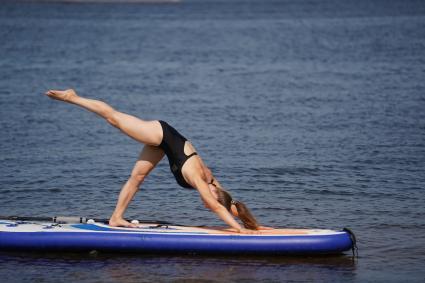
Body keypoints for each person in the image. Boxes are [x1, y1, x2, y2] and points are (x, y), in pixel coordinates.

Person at [45, 89, 271, 234]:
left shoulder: (216, 187)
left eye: (211, 199)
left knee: (138, 177)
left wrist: (250, 224)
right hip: (160, 134)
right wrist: (238, 231)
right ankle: (73, 97)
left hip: (164, 147)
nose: (206, 201)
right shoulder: (199, 179)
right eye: (209, 197)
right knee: (114, 118)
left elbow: (227, 205)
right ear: (212, 190)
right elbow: (215, 205)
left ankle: (116, 218)